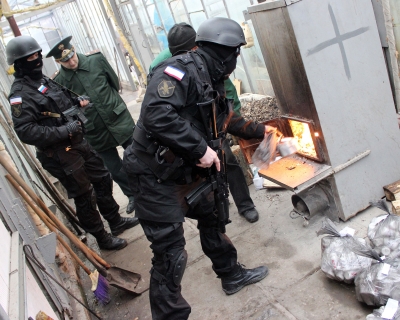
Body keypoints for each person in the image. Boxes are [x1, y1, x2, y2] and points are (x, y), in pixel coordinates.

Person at [123, 17, 274, 319]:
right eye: (235, 52)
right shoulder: (179, 70)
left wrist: (264, 132)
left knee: (213, 219)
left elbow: (225, 120)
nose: (236, 59)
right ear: (224, 50)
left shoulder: (211, 77)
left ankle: (231, 275)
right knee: (170, 254)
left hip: (186, 169)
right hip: (154, 175)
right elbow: (156, 114)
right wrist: (200, 148)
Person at [6, 35, 139, 251]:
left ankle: (115, 221)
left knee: (103, 178)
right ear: (19, 64)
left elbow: (59, 102)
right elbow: (25, 130)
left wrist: (75, 102)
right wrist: (63, 130)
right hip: (60, 153)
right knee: (85, 195)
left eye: (38, 56)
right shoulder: (20, 95)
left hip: (78, 143)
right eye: (31, 58)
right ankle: (102, 238)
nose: (37, 61)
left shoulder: (42, 81)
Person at [149, 22, 260, 223]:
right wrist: (199, 148)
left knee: (228, 163)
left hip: (209, 129)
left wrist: (258, 130)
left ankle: (244, 205)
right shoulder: (170, 68)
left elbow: (223, 110)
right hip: (183, 141)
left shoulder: (214, 64)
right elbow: (158, 114)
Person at [46, 36, 136, 214]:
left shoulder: (96, 60)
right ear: (58, 62)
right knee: (114, 168)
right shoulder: (59, 82)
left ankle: (153, 186)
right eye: (65, 61)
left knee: (138, 153)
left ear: (74, 50)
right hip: (95, 130)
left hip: (118, 118)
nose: (71, 62)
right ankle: (133, 195)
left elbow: (115, 83)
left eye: (72, 56)